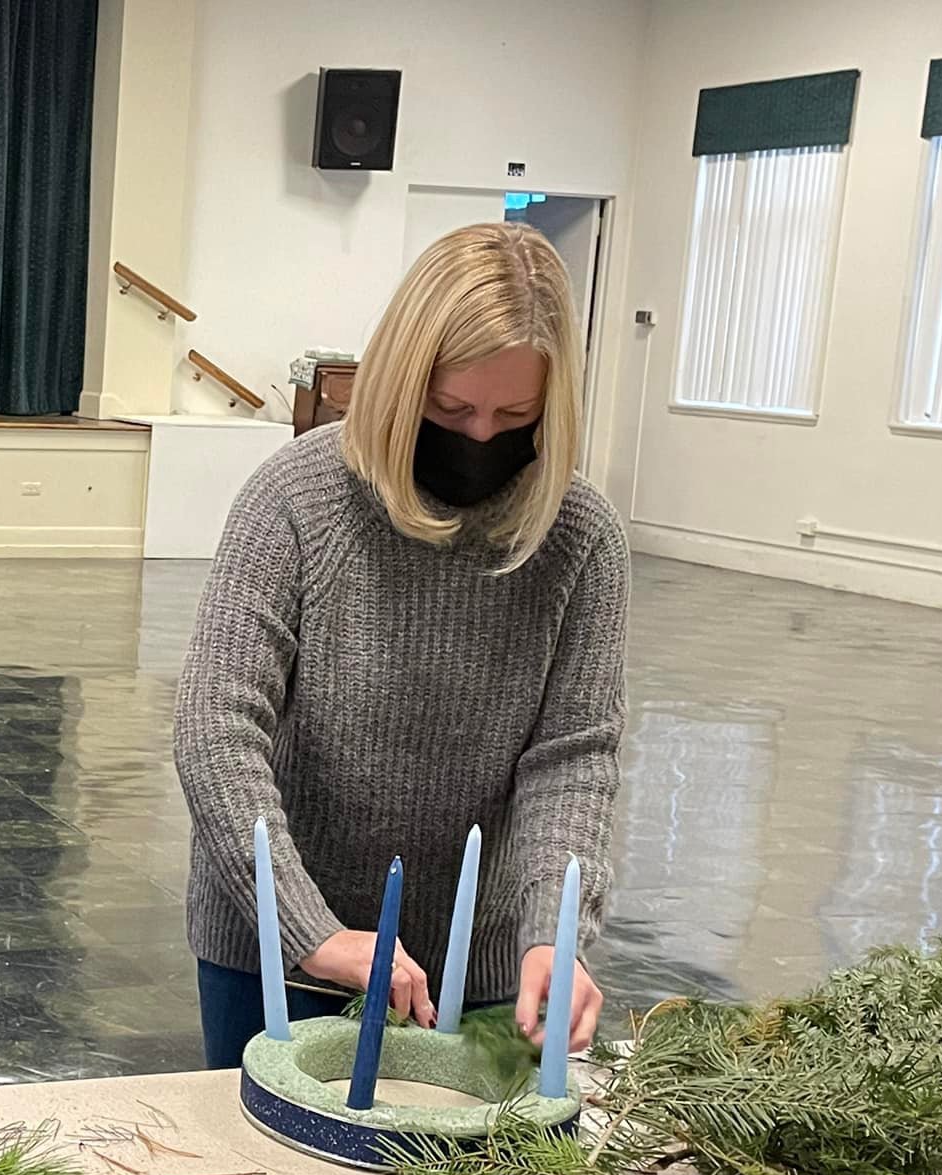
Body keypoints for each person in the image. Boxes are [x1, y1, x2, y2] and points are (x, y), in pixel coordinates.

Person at [174, 223, 624, 1070]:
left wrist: (552, 935)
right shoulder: (294, 500)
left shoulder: (582, 539)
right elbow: (216, 727)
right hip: (279, 947)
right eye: (450, 409)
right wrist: (307, 931)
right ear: (399, 382)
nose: (480, 435)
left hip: (486, 964)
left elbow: (573, 755)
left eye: (515, 414)